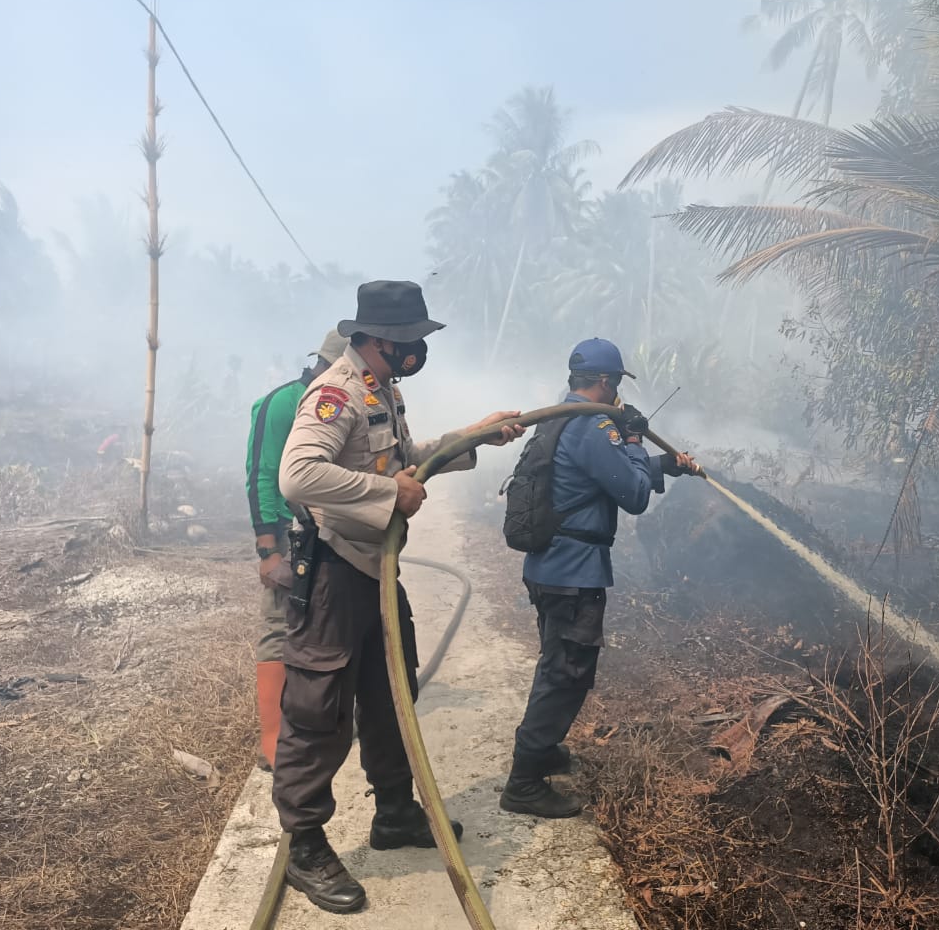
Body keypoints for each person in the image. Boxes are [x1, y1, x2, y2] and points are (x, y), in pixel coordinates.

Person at [274, 279, 525, 914]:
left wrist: (471, 436)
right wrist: (389, 498)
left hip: (373, 572)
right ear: (381, 340)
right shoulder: (335, 392)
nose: (420, 351)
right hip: (335, 574)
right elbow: (297, 474)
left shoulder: (381, 387)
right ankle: (305, 844)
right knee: (320, 710)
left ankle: (393, 814)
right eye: (413, 342)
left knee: (392, 693)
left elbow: (403, 456)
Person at [501, 338, 700, 818]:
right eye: (617, 388)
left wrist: (663, 464)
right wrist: (631, 439)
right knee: (565, 674)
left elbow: (594, 479)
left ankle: (542, 750)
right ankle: (524, 781)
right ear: (608, 383)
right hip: (573, 571)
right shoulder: (595, 427)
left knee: (557, 664)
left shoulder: (562, 417)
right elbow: (631, 494)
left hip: (552, 567)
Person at [244, 330, 348, 771]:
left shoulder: (344, 404)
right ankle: (274, 739)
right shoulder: (285, 403)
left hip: (332, 531)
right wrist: (268, 548)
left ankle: (319, 721)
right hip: (290, 533)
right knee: (278, 625)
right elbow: (263, 475)